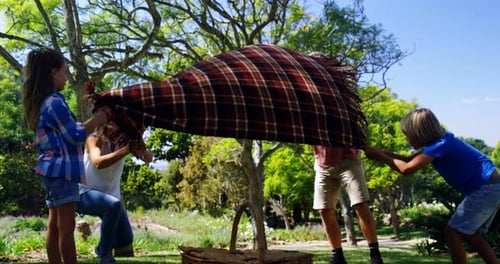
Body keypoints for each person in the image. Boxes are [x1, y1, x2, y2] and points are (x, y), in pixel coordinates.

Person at [364, 108, 500, 264]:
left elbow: (406, 169)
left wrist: (380, 156)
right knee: (470, 233)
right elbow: (408, 160)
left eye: (408, 136)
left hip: (485, 187)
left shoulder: (439, 146)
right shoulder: (443, 142)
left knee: (452, 232)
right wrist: (382, 153)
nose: (407, 140)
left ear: (419, 134)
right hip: (492, 186)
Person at [22, 47, 110, 264]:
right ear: (53, 73)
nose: (66, 78)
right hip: (63, 171)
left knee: (54, 225)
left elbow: (69, 129)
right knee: (67, 229)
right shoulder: (55, 102)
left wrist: (90, 122)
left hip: (51, 171)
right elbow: (76, 134)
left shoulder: (44, 103)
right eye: (64, 72)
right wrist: (98, 119)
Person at [77, 120, 153, 264]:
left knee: (125, 240)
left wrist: (140, 147)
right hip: (85, 193)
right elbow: (98, 162)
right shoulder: (94, 138)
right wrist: (126, 150)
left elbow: (149, 158)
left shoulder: (125, 141)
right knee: (112, 205)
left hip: (111, 197)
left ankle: (100, 248)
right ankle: (105, 256)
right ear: (107, 124)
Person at [312, 145, 383, 264]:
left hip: (348, 159)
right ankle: (337, 256)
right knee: (324, 210)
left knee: (360, 204)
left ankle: (375, 254)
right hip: (322, 163)